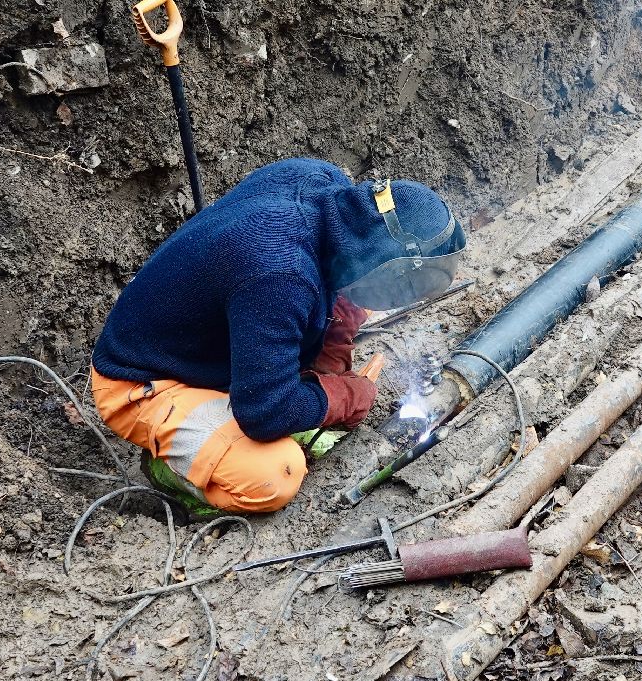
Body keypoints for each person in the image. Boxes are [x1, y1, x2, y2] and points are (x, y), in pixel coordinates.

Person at [90, 158, 465, 517]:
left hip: (207, 344)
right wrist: (344, 397)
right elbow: (264, 413)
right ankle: (172, 473)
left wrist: (331, 353)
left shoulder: (321, 184)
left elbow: (329, 289)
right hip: (142, 381)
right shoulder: (280, 274)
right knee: (275, 474)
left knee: (341, 314)